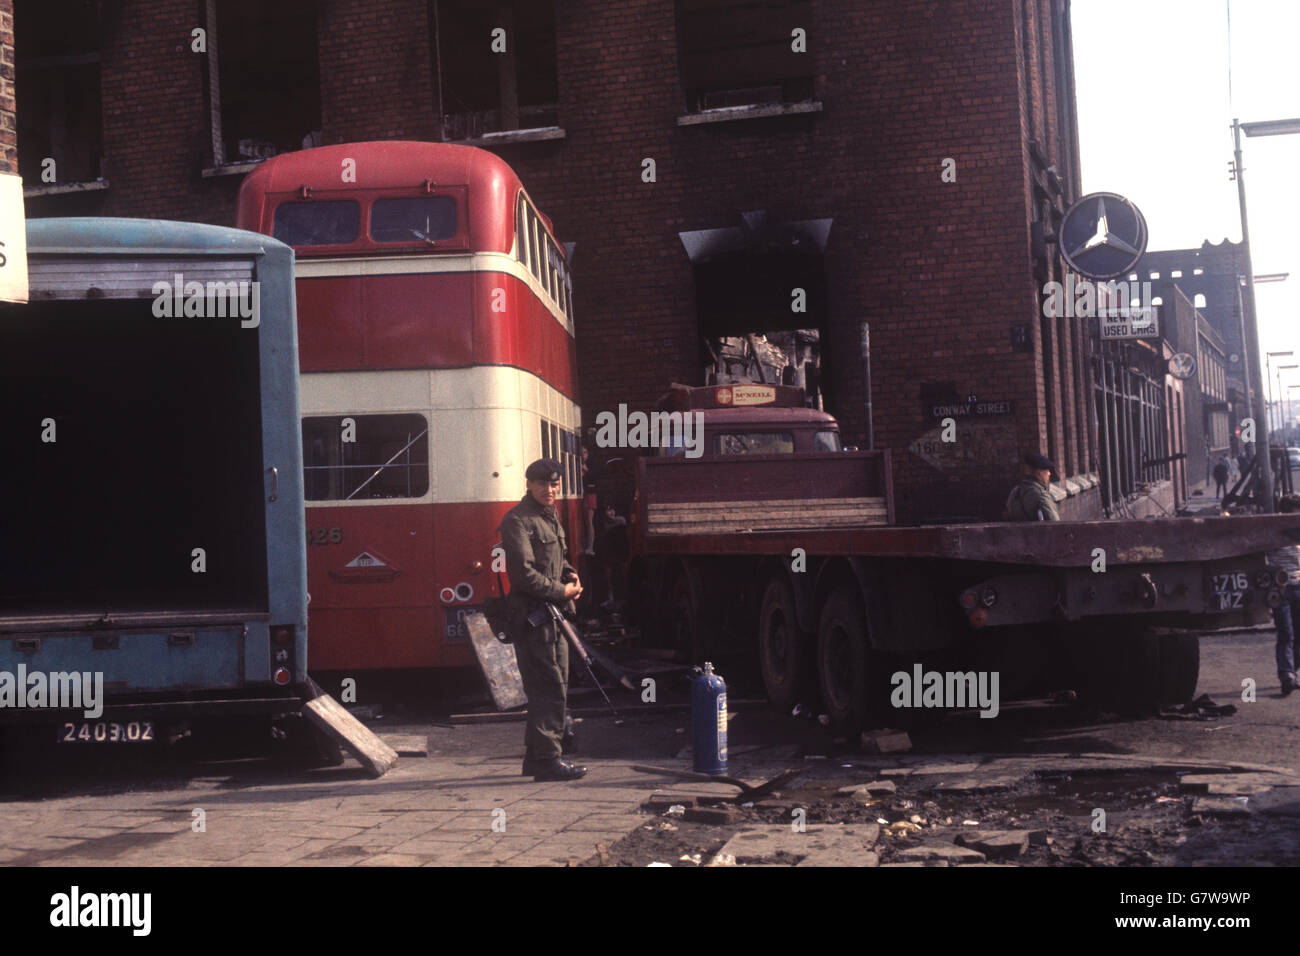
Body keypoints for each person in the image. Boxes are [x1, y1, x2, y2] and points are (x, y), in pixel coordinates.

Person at [499, 458, 588, 781]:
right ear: (529, 484)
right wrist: (561, 590)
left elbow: (557, 560)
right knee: (547, 685)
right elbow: (523, 575)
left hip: (554, 615)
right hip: (534, 617)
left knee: (557, 682)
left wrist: (571, 577)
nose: (549, 490)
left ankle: (537, 755)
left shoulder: (549, 517)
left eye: (554, 485)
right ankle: (547, 760)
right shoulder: (518, 521)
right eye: (542, 484)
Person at [1269, 494, 1300, 696]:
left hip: (1299, 586)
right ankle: (1287, 674)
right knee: (1286, 633)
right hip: (1282, 589)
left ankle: (1291, 672)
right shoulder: (1272, 533)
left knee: (1297, 634)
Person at [1005, 452, 1060, 521]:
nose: (1049, 473)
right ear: (1040, 473)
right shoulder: (1041, 495)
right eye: (1047, 470)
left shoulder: (1016, 491)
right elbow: (1055, 524)